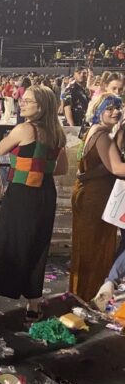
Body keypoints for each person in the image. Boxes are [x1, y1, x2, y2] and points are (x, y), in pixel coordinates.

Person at [0, 86, 67, 320]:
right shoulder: (57, 132)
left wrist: (19, 156)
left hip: (22, 193)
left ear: (41, 106)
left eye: (28, 101)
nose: (22, 103)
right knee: (37, 246)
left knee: (7, 241)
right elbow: (62, 169)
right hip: (45, 194)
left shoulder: (25, 129)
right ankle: (33, 304)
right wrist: (40, 165)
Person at [69, 95, 125, 302]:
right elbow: (116, 167)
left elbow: (99, 166)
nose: (116, 112)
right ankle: (88, 295)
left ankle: (81, 295)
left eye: (118, 107)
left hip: (88, 193)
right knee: (96, 249)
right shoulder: (103, 136)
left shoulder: (95, 131)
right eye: (109, 108)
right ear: (98, 110)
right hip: (97, 198)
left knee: (87, 248)